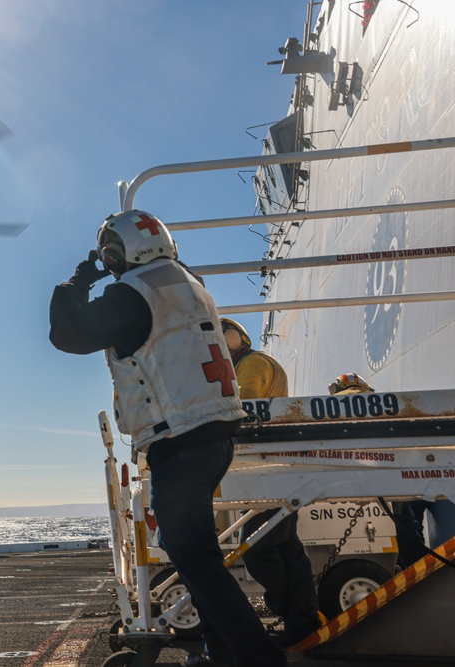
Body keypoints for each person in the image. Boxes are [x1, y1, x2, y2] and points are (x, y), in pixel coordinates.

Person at [50, 210, 286, 667]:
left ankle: (260, 660)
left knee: (196, 560)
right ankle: (219, 654)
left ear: (116, 254)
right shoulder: (189, 284)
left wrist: (77, 280)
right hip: (215, 434)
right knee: (200, 560)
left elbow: (67, 333)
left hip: (181, 441)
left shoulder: (130, 296)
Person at [222, 318, 321, 648]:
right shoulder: (257, 362)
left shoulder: (252, 364)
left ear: (236, 339)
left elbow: (243, 406)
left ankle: (293, 614)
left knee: (257, 549)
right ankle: (302, 622)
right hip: (275, 465)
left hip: (268, 466)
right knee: (287, 549)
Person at [328, 373, 455, 566]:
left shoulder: (332, 406)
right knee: (408, 529)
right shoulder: (378, 404)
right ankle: (416, 569)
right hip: (394, 477)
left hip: (347, 482)